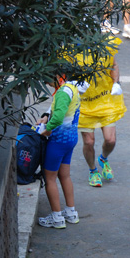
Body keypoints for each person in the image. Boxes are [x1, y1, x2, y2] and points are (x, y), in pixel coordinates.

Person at [77, 36, 126, 188]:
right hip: (84, 104)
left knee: (111, 140)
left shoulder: (103, 46)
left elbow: (114, 64)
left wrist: (116, 83)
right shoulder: (71, 51)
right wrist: (73, 83)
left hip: (105, 100)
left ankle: (103, 159)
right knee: (89, 141)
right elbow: (58, 75)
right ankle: (93, 171)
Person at [37, 76, 85, 228]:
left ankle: (57, 218)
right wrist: (46, 117)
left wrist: (45, 131)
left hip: (58, 140)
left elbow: (57, 118)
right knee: (65, 175)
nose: (45, 82)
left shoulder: (62, 92)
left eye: (46, 78)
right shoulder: (72, 87)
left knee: (50, 178)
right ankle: (71, 213)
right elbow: (56, 110)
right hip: (71, 137)